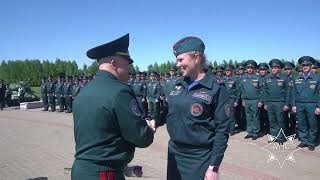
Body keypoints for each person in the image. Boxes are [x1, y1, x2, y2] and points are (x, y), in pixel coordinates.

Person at [71, 34, 154, 180]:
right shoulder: (120, 91)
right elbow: (141, 138)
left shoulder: (83, 92)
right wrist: (149, 129)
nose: (130, 69)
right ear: (114, 63)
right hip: (105, 174)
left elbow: (101, 138)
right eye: (127, 63)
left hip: (81, 170)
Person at [149, 36, 229, 180]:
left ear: (196, 57)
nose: (177, 64)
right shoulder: (177, 85)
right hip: (174, 152)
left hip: (199, 157)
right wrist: (155, 120)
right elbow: (167, 110)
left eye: (180, 60)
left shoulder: (216, 87)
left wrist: (214, 167)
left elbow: (222, 130)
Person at [291, 56, 320, 151]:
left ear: (311, 66)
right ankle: (304, 141)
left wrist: (318, 106)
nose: (305, 66)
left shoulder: (317, 78)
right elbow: (293, 93)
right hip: (299, 104)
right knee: (302, 123)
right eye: (303, 65)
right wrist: (294, 105)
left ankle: (311, 142)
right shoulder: (296, 78)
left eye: (307, 65)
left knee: (312, 124)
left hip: (312, 105)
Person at [261, 59, 290, 144]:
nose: (273, 69)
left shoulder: (284, 78)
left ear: (279, 69)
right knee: (272, 121)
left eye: (276, 67)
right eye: (272, 67)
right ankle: (273, 137)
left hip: (280, 103)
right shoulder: (267, 78)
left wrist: (287, 104)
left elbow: (288, 92)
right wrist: (265, 103)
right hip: (270, 103)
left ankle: (280, 138)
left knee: (280, 121)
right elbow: (265, 91)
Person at [237, 60, 263, 140]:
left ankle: (255, 132)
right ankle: (250, 132)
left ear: (254, 69)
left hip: (255, 101)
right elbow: (242, 90)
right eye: (248, 68)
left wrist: (261, 101)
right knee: (248, 116)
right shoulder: (243, 78)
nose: (250, 69)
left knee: (255, 117)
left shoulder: (258, 78)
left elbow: (262, 90)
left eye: (251, 68)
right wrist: (243, 100)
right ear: (246, 69)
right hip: (246, 101)